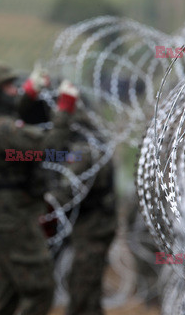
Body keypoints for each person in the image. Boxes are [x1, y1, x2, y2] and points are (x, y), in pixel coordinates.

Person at [0, 62, 79, 315]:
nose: (14, 90)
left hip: (4, 212)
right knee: (40, 289)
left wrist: (31, 92)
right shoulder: (5, 130)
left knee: (6, 295)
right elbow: (52, 147)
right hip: (15, 216)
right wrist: (65, 108)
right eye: (8, 86)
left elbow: (11, 111)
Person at [51, 111, 117, 315]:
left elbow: (69, 190)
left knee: (82, 283)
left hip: (93, 225)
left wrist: (43, 201)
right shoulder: (96, 145)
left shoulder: (83, 151)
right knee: (89, 284)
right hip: (96, 224)